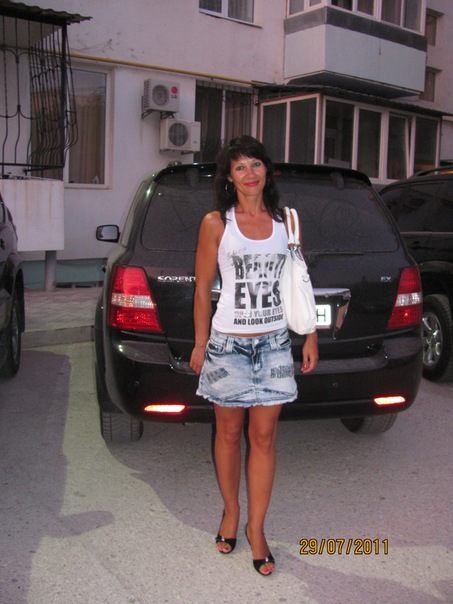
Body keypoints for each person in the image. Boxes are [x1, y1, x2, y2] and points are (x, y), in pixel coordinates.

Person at [189, 135, 318, 576]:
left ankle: (256, 529)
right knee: (228, 435)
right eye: (239, 167)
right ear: (229, 177)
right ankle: (231, 511)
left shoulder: (288, 222)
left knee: (263, 439)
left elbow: (299, 282)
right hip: (228, 345)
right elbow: (202, 290)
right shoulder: (216, 224)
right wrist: (200, 344)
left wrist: (310, 335)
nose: (249, 174)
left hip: (275, 344)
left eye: (255, 164)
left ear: (268, 170)